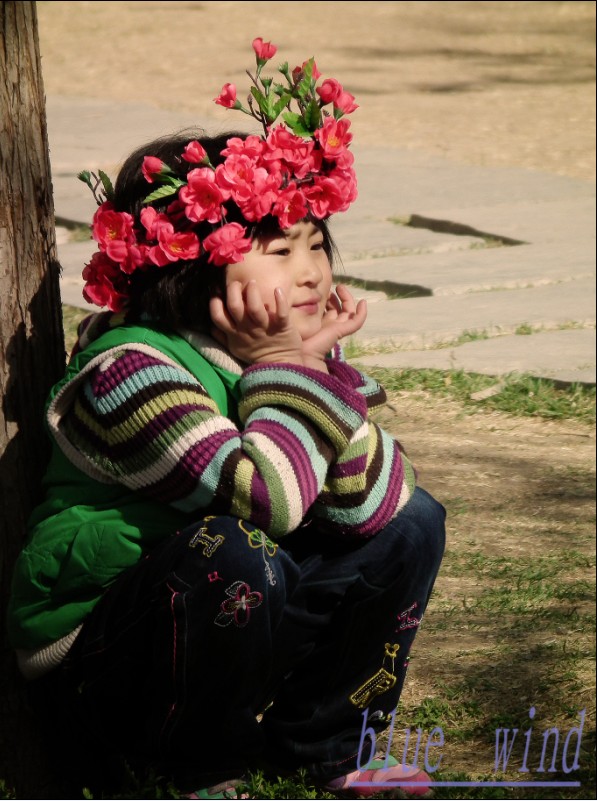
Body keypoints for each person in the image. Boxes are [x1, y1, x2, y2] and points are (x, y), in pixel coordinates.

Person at [7, 39, 445, 800]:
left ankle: (326, 747)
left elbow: (371, 506)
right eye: (279, 251)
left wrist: (315, 373)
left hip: (231, 621)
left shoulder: (274, 361)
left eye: (317, 245)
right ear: (196, 267)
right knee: (235, 548)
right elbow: (264, 499)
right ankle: (189, 771)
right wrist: (287, 368)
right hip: (110, 653)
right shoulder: (129, 372)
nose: (311, 270)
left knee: (415, 519)